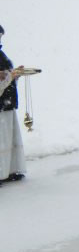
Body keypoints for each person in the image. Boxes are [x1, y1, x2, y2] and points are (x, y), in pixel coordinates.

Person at [0, 24, 27, 186]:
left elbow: (5, 76)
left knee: (8, 138)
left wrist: (14, 74)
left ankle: (10, 170)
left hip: (6, 102)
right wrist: (10, 75)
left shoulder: (1, 54)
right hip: (1, 103)